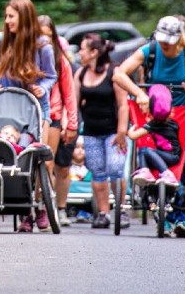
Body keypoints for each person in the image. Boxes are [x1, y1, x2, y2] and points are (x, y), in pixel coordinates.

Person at [113, 15, 185, 238]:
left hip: (184, 114)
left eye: (169, 40)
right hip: (155, 114)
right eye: (162, 39)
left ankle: (182, 216)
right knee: (152, 156)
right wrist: (139, 93)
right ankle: (161, 213)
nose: (164, 44)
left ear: (179, 39)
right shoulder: (150, 51)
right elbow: (120, 74)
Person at [0, 0, 57, 232]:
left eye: (11, 17)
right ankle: (25, 210)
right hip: (8, 107)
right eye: (5, 16)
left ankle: (41, 206)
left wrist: (42, 87)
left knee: (38, 159)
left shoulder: (42, 46)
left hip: (35, 107)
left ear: (24, 18)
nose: (7, 21)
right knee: (15, 155)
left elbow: (51, 76)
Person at [74, 33, 129, 230]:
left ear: (94, 52)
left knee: (115, 168)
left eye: (82, 48)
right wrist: (73, 127)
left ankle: (121, 210)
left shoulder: (114, 72)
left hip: (113, 131)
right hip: (91, 131)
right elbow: (75, 103)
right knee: (97, 172)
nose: (79, 52)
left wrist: (122, 131)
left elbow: (123, 104)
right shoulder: (80, 74)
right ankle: (103, 213)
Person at [38, 15, 79, 227]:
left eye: (47, 37)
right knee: (38, 165)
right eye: (39, 36)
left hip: (54, 115)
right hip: (32, 115)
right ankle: (37, 207)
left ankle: (55, 207)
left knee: (53, 165)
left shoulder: (59, 60)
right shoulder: (29, 56)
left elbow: (69, 94)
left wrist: (71, 124)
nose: (43, 41)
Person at [128, 84, 181, 186]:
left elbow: (133, 136)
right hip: (175, 156)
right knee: (147, 152)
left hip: (168, 157)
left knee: (144, 150)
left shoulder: (153, 125)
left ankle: (165, 173)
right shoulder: (173, 123)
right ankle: (145, 171)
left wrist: (131, 130)